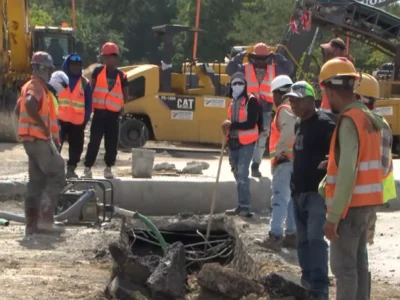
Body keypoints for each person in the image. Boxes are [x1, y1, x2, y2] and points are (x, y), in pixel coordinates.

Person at [319, 57, 386, 300]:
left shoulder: (349, 120)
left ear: (330, 90)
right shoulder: (369, 117)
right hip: (367, 205)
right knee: (359, 267)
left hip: (349, 208)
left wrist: (333, 217)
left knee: (344, 270)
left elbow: (348, 171)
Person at [287, 81, 336, 300]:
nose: (293, 104)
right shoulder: (299, 125)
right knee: (303, 241)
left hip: (317, 195)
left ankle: (319, 288)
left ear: (310, 100)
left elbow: (338, 154)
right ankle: (306, 282)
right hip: (298, 193)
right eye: (291, 100)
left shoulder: (325, 124)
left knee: (316, 241)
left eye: (297, 100)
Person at [354, 72, 396, 300]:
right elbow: (382, 164)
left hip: (360, 196)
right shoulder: (383, 124)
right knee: (362, 251)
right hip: (372, 195)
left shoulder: (365, 123)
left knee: (356, 254)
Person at [15, 51, 66, 235]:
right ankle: (45, 219)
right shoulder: (36, 86)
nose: (51, 73)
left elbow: (17, 109)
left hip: (30, 141)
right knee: (58, 173)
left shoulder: (28, 85)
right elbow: (29, 104)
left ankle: (31, 224)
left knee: (36, 182)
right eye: (50, 69)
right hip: (39, 140)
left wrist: (26, 127)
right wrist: (42, 126)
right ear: (44, 69)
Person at [227, 43, 293, 177]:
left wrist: (278, 57)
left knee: (262, 138)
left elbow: (289, 69)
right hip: (247, 109)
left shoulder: (275, 69)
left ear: (269, 58)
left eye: (264, 58)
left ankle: (255, 166)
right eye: (257, 58)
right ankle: (238, 162)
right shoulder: (244, 69)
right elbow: (230, 69)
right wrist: (240, 55)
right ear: (252, 57)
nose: (260, 62)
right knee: (244, 135)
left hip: (265, 109)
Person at [256, 75, 297, 250]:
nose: (273, 99)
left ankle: (275, 236)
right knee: (290, 200)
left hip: (285, 162)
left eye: (274, 94)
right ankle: (292, 235)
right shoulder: (296, 106)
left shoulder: (284, 108)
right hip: (295, 162)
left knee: (280, 199)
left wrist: (280, 151)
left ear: (280, 92)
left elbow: (289, 131)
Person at [83, 42, 129, 179]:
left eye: (110, 57)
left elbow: (125, 94)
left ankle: (109, 168)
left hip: (113, 115)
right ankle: (87, 167)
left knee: (111, 143)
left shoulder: (122, 76)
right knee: (94, 141)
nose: (107, 60)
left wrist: (121, 106)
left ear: (115, 57)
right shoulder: (98, 72)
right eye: (105, 57)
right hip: (99, 113)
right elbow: (92, 89)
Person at [222, 72, 261, 218]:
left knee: (243, 174)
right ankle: (240, 205)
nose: (237, 86)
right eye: (234, 84)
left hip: (246, 142)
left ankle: (245, 207)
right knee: (237, 174)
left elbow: (251, 122)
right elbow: (230, 123)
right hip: (233, 142)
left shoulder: (251, 101)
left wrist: (232, 125)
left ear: (245, 85)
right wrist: (227, 139)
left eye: (240, 83)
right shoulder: (232, 102)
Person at [58, 54, 92, 179]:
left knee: (76, 148)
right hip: (60, 121)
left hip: (78, 123)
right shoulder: (60, 80)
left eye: (78, 65)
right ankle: (54, 171)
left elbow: (89, 103)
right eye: (73, 65)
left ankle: (71, 169)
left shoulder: (84, 83)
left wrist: (85, 118)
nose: (76, 68)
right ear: (68, 66)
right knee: (56, 147)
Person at [319, 37, 354, 116]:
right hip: (327, 110)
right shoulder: (331, 65)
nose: (328, 53)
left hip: (335, 111)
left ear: (337, 50)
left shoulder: (345, 66)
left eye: (331, 50)